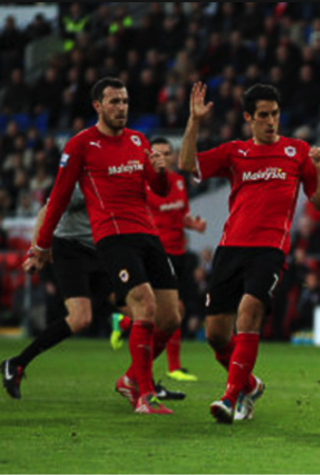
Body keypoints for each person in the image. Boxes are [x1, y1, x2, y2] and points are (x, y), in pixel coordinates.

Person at [178, 82, 320, 424]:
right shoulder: (235, 152)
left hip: (269, 250)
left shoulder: (297, 151)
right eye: (263, 115)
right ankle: (249, 385)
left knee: (248, 314)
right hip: (230, 248)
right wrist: (194, 121)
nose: (271, 121)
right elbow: (188, 164)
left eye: (275, 114)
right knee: (216, 335)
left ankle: (230, 398)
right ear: (249, 117)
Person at [29, 77, 182, 415]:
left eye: (125, 101)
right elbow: (58, 199)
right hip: (112, 236)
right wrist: (41, 245)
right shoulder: (81, 145)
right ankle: (145, 396)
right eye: (114, 101)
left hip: (147, 233)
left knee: (171, 317)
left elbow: (159, 191)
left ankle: (129, 379)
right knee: (144, 306)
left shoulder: (138, 140)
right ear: (98, 105)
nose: (121, 108)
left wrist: (159, 172)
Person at [3, 186, 184, 403]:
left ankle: (138, 380)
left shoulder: (122, 176)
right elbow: (47, 211)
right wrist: (35, 251)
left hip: (103, 250)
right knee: (80, 319)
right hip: (71, 249)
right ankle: (17, 363)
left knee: (146, 315)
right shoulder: (83, 183)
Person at [110, 138, 207, 383]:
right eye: (158, 153)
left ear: (173, 157)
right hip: (158, 252)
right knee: (173, 310)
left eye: (167, 153)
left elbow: (180, 214)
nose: (163, 157)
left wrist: (193, 224)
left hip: (179, 252)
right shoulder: (144, 182)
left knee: (170, 313)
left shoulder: (178, 182)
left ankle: (124, 322)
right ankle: (170, 367)